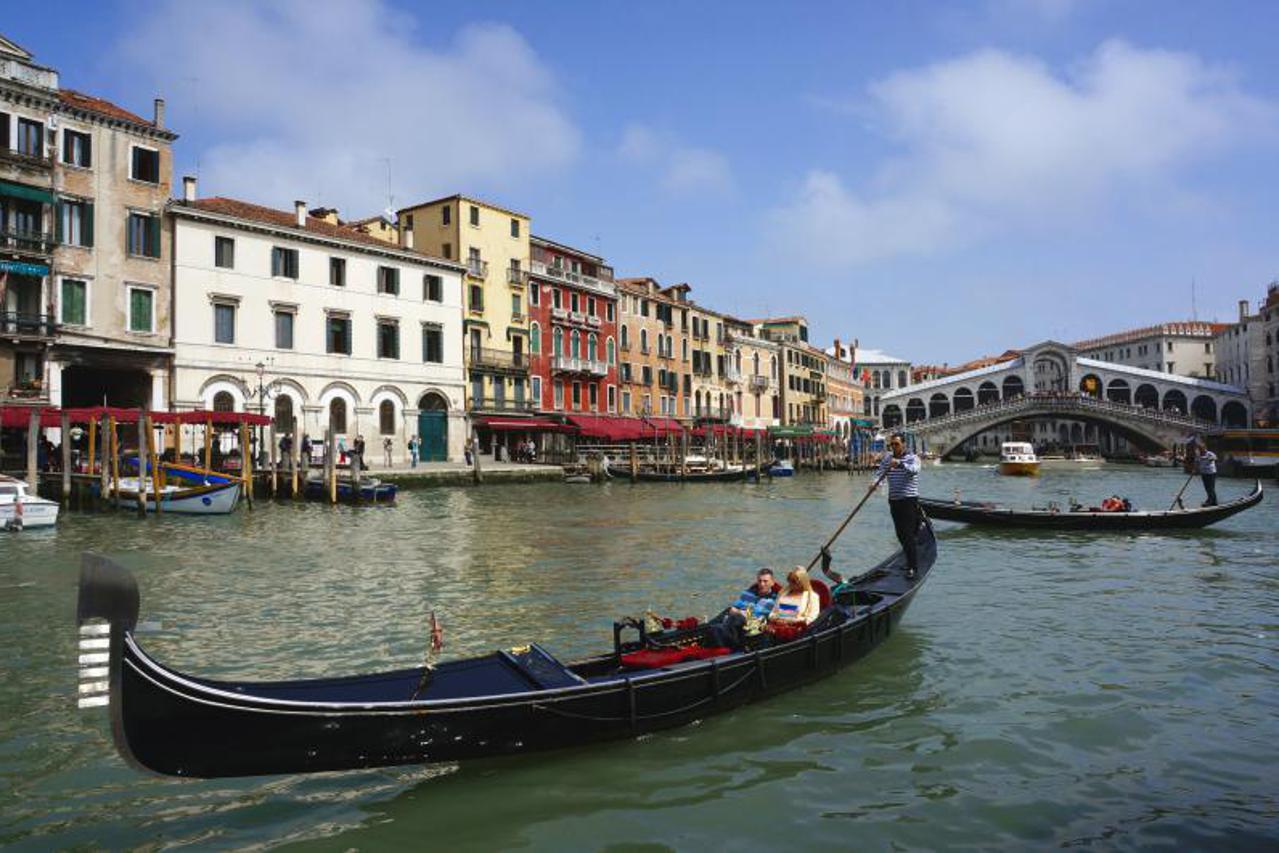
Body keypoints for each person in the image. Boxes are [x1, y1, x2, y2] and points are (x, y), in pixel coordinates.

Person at [875, 432, 922, 578]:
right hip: (894, 501)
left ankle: (913, 567)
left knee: (907, 534)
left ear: (903, 444)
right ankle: (909, 560)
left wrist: (900, 464)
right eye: (891, 444)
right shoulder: (888, 458)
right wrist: (875, 483)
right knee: (900, 535)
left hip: (909, 500)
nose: (893, 447)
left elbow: (915, 470)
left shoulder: (913, 458)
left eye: (896, 444)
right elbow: (880, 472)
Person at [708, 568, 782, 649]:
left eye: (765, 581)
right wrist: (740, 612)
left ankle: (728, 644)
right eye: (760, 581)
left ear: (772, 582)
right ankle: (706, 629)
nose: (762, 584)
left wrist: (742, 613)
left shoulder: (775, 599)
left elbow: (782, 614)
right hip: (736, 622)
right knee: (716, 624)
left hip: (754, 627)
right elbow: (734, 608)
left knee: (733, 619)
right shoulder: (749, 593)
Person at [767, 567, 821, 633]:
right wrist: (776, 619)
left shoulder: (812, 597)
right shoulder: (783, 592)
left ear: (802, 582)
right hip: (777, 626)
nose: (790, 583)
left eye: (793, 581)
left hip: (797, 630)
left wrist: (790, 621)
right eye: (789, 580)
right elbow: (773, 612)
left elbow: (812, 619)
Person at [1197, 440, 1218, 506]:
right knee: (1206, 487)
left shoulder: (1209, 453)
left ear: (1204, 448)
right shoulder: (1199, 455)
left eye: (1201, 449)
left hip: (1211, 473)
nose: (1200, 450)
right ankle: (1213, 501)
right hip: (1204, 473)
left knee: (1210, 487)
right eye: (1199, 449)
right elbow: (1197, 462)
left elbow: (1215, 458)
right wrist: (1195, 468)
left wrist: (1207, 458)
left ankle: (1210, 501)